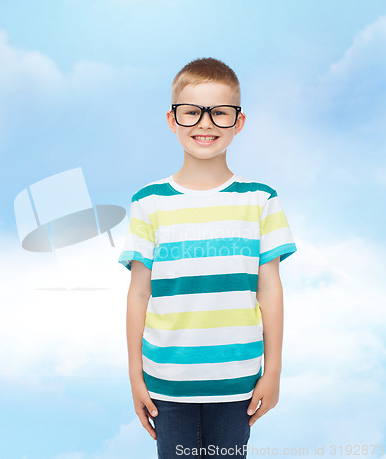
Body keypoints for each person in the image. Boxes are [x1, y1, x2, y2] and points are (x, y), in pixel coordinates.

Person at [118, 57, 297, 458]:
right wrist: (135, 376)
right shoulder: (148, 203)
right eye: (192, 112)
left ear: (239, 121)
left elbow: (269, 288)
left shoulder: (260, 200)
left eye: (219, 113)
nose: (205, 123)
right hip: (167, 382)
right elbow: (138, 294)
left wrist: (274, 371)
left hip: (239, 382)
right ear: (172, 119)